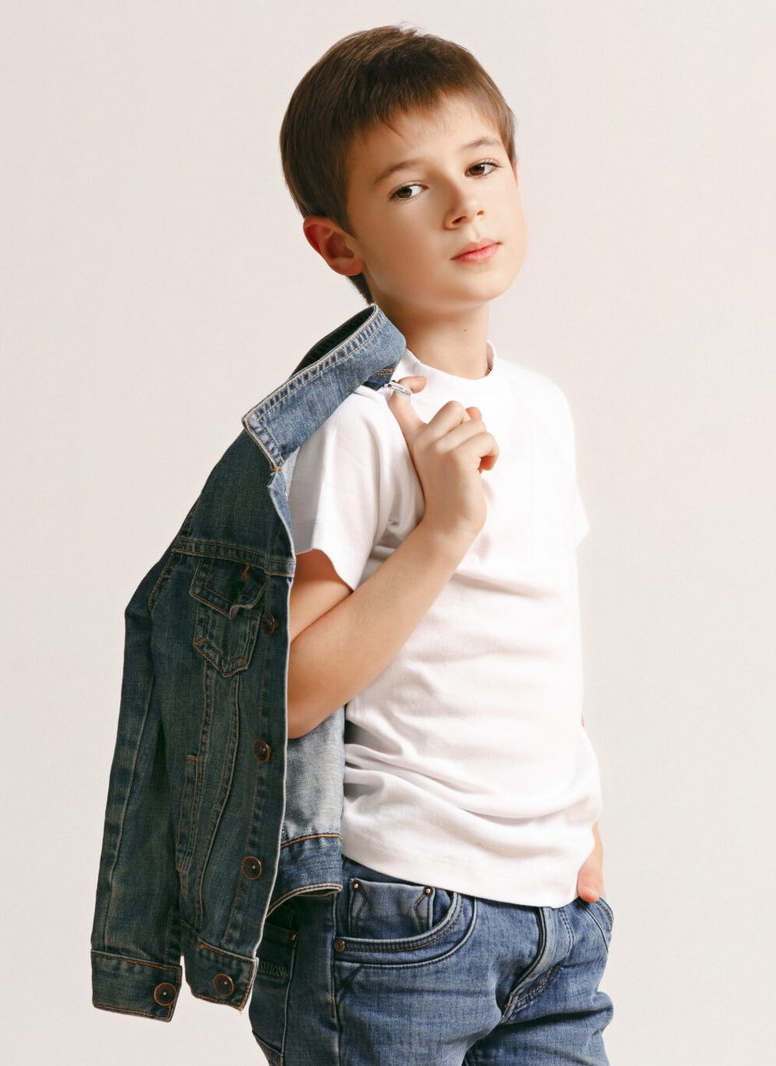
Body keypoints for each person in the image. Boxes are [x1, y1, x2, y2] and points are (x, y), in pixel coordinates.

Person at [246, 23, 615, 1065]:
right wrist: (444, 528)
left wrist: (579, 820)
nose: (464, 204)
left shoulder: (541, 409)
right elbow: (288, 690)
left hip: (553, 917)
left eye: (483, 165)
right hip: (403, 913)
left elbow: (534, 633)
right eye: (410, 188)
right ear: (338, 244)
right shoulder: (360, 421)